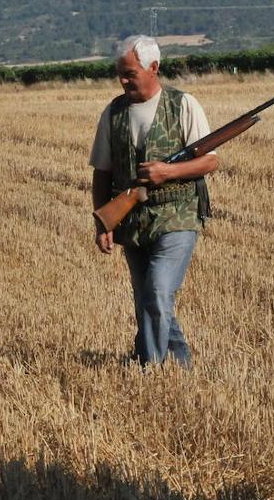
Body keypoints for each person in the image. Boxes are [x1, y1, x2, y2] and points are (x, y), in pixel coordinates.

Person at [89, 35, 218, 368]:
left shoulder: (183, 104)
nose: (123, 80)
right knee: (147, 298)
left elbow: (209, 162)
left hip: (178, 215)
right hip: (133, 222)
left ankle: (150, 367)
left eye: (130, 73)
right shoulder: (113, 113)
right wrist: (102, 222)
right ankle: (181, 363)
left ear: (154, 67)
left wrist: (167, 172)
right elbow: (102, 172)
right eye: (120, 73)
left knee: (158, 291)